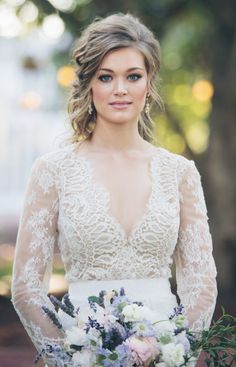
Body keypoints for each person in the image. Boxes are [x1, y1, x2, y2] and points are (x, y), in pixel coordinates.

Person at [11, 13, 217, 367]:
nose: (120, 89)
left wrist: (175, 354)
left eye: (132, 76)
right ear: (89, 84)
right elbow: (27, 289)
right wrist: (74, 357)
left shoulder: (180, 173)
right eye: (106, 77)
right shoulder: (53, 171)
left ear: (148, 84)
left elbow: (201, 286)